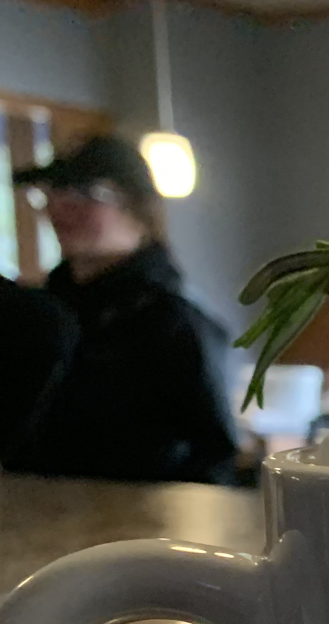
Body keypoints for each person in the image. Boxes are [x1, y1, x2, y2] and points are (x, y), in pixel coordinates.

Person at [2, 134, 240, 485]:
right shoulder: (40, 317)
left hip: (142, 528)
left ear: (138, 208)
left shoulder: (172, 321)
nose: (60, 206)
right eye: (53, 191)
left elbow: (214, 457)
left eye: (86, 193)